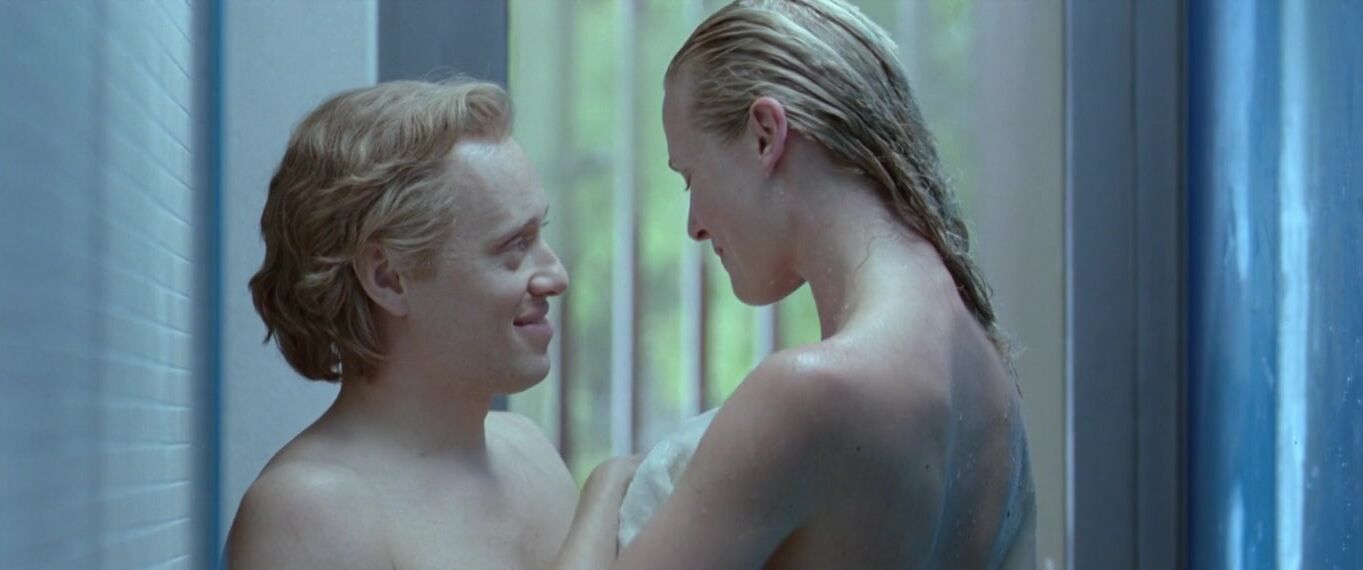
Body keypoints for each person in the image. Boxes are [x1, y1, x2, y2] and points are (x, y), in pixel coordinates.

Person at [556, 1, 1036, 568]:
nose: (694, 225)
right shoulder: (995, 390)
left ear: (765, 135)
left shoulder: (809, 395)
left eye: (689, 177)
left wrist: (604, 488)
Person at [225, 79, 577, 569]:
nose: (557, 276)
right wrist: (607, 495)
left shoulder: (532, 453)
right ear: (389, 278)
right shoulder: (308, 515)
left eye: (541, 235)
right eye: (514, 246)